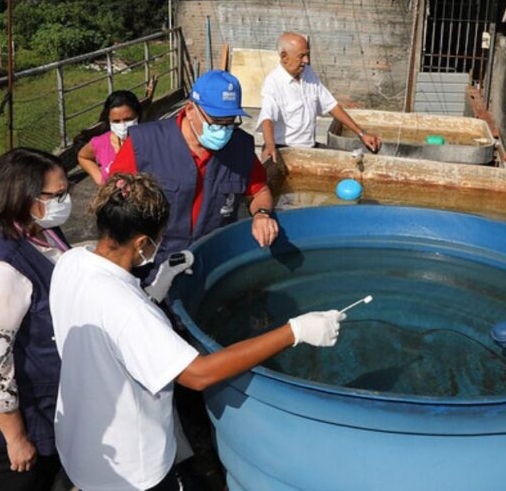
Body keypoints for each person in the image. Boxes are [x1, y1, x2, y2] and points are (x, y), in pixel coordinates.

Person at [50, 173, 344, 491]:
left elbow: (109, 323)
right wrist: (294, 331)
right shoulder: (130, 312)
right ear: (141, 243)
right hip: (130, 470)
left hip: (80, 441)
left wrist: (155, 288)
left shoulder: (71, 262)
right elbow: (198, 374)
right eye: (158, 237)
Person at [0, 147, 70, 491]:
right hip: (19, 418)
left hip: (44, 399)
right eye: (57, 195)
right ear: (24, 197)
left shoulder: (38, 228)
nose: (65, 201)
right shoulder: (1, 268)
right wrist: (16, 437)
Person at [109, 70, 278, 266]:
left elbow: (259, 191)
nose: (223, 130)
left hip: (212, 258)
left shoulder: (240, 148)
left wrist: (262, 215)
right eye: (216, 121)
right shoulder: (144, 144)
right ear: (190, 110)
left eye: (230, 122)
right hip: (152, 262)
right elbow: (112, 203)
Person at [258, 32, 382, 164]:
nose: (306, 60)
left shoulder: (308, 73)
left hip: (309, 148)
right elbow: (267, 118)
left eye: (307, 54)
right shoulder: (273, 83)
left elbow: (332, 106)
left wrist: (361, 133)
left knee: (353, 160)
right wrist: (270, 146)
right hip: (285, 150)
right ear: (284, 57)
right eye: (301, 56)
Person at [77, 90, 143, 186]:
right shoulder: (100, 143)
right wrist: (101, 181)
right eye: (116, 121)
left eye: (128, 119)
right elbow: (83, 157)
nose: (123, 125)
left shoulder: (150, 139)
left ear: (138, 116)